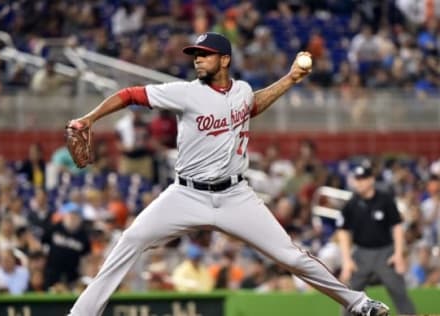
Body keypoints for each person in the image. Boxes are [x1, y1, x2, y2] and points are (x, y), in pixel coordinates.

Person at [66, 32, 389, 316]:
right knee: (131, 240)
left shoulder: (242, 90)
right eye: (195, 55)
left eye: (204, 55)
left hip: (235, 196)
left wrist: (290, 79)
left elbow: (251, 104)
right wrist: (89, 119)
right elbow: (130, 95)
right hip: (186, 194)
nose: (197, 60)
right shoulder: (186, 92)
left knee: (290, 255)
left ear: (225, 60)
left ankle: (359, 304)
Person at [337, 161, 415, 315]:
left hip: (385, 253)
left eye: (363, 178)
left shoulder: (385, 200)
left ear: (371, 179)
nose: (359, 182)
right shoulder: (351, 204)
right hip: (361, 253)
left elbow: (397, 226)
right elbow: (343, 231)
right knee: (349, 296)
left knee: (399, 293)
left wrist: (398, 254)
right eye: (357, 179)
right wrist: (346, 260)